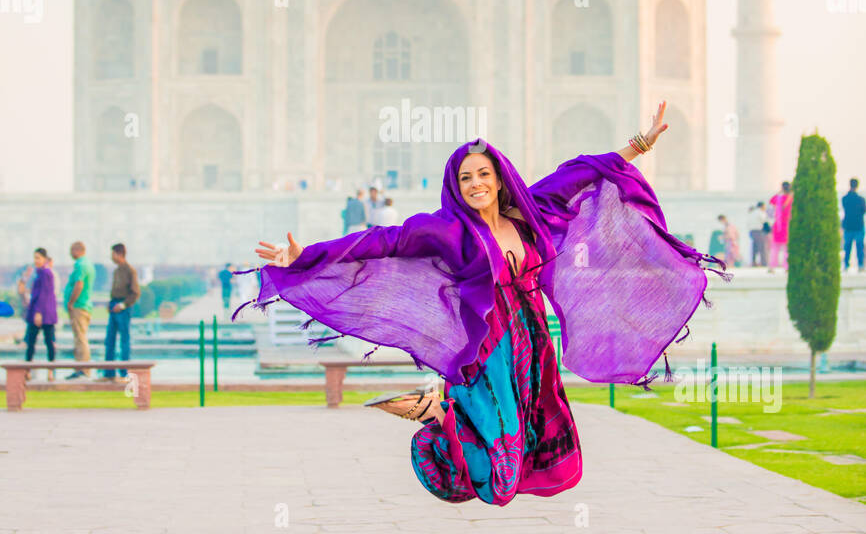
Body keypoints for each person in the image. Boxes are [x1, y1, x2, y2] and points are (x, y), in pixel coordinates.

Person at [243, 102, 730, 507]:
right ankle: (439, 415)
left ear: (498, 180)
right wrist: (305, 255)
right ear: (457, 186)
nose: (476, 183)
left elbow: (579, 174)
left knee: (539, 434)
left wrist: (638, 145)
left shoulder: (529, 214)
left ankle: (446, 411)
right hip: (488, 349)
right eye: (465, 177)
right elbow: (381, 240)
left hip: (533, 340)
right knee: (499, 453)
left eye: (483, 174)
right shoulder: (447, 230)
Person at [102, 243, 140, 379]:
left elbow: (135, 293)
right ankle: (109, 371)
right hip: (114, 305)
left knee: (124, 339)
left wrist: (123, 305)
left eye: (113, 254)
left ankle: (124, 371)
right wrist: (110, 303)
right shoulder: (117, 270)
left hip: (123, 307)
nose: (111, 257)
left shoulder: (130, 271)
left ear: (119, 254)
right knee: (110, 339)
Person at [23, 248, 58, 377]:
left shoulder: (46, 273)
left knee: (48, 341)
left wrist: (38, 312)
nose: (36, 260)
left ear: (44, 259)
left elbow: (44, 294)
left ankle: (50, 370)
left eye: (38, 257)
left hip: (44, 313)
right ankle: (27, 369)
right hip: (39, 311)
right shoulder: (39, 273)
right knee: (31, 341)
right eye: (35, 257)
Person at [64, 240, 95, 378]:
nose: (70, 254)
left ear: (77, 250)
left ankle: (83, 369)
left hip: (79, 306)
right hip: (84, 305)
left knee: (80, 338)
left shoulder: (80, 265)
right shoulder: (88, 264)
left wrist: (71, 302)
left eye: (71, 250)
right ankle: (81, 368)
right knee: (80, 337)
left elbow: (79, 284)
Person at [767, 180, 793, 271]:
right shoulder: (791, 198)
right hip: (787, 226)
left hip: (778, 226)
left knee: (775, 248)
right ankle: (787, 267)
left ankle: (772, 267)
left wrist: (780, 191)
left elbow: (770, 200)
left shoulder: (777, 198)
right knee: (787, 249)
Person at [842, 177, 865, 271]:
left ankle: (846, 265)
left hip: (848, 226)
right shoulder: (861, 199)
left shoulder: (845, 199)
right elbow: (863, 211)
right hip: (858, 226)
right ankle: (860, 265)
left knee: (847, 247)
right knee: (860, 247)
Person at [747, 202, 769, 267]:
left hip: (751, 232)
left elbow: (748, 223)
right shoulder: (760, 212)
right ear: (761, 206)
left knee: (754, 248)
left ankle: (753, 262)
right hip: (759, 231)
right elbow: (764, 221)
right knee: (762, 247)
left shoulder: (752, 213)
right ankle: (764, 263)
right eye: (764, 206)